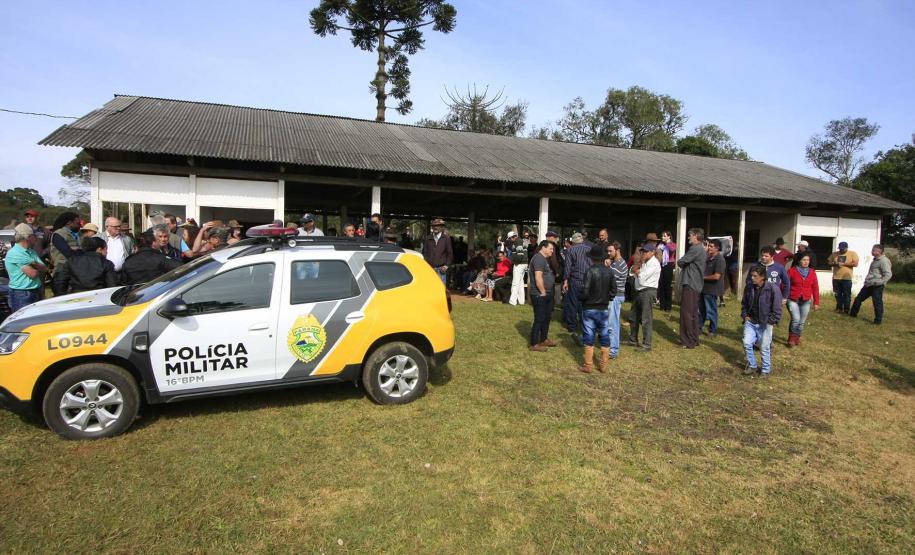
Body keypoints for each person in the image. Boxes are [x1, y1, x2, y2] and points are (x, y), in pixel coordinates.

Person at [741, 265, 782, 377]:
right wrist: (745, 315)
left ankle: (765, 369)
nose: (752, 278)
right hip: (751, 321)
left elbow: (777, 308)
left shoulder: (773, 289)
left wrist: (771, 321)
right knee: (746, 343)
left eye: (755, 276)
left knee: (764, 347)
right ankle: (752, 365)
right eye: (751, 276)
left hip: (765, 323)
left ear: (762, 277)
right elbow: (744, 304)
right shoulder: (749, 288)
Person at [578, 243, 613, 373]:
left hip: (589, 308)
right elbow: (613, 290)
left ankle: (588, 365)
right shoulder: (609, 271)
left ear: (591, 258)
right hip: (603, 308)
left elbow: (586, 291)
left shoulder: (590, 271)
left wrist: (581, 298)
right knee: (604, 334)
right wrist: (607, 298)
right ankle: (603, 365)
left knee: (588, 335)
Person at [52, 236, 119, 294]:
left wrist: (61, 296)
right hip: (99, 297)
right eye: (106, 249)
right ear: (99, 249)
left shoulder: (72, 261)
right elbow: (112, 286)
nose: (107, 252)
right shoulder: (106, 263)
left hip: (76, 296)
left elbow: (60, 281)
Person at [4, 223, 47, 311]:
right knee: (23, 323)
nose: (37, 238)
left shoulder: (31, 251)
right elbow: (33, 274)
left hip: (35, 289)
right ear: (28, 237)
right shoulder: (15, 253)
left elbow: (44, 268)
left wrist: (33, 263)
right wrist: (36, 265)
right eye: (34, 235)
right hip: (22, 294)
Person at [677, 227, 707, 349]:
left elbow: (681, 262)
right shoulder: (701, 249)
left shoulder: (695, 249)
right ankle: (694, 339)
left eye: (690, 235)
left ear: (695, 236)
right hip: (696, 284)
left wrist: (683, 262)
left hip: (691, 283)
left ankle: (687, 341)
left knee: (686, 313)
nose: (688, 237)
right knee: (693, 313)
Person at [627, 242, 661, 351]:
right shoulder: (645, 262)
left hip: (647, 291)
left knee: (646, 319)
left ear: (652, 252)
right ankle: (633, 339)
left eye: (646, 251)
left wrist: (636, 271)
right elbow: (631, 272)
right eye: (643, 251)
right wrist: (636, 270)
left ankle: (646, 344)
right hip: (639, 291)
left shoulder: (654, 263)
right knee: (633, 316)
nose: (643, 253)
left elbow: (641, 278)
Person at [849, 244, 892, 325]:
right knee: (858, 299)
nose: (872, 251)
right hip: (869, 284)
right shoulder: (875, 260)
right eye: (872, 250)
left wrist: (879, 282)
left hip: (877, 286)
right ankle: (852, 314)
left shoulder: (884, 261)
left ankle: (878, 321)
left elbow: (888, 274)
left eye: (874, 250)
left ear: (879, 251)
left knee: (877, 303)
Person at [528, 240, 558, 352]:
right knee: (539, 318)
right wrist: (543, 292)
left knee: (547, 317)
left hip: (547, 293)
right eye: (550, 248)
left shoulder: (544, 259)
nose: (552, 251)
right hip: (540, 294)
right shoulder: (538, 259)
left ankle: (544, 339)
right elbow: (538, 277)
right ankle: (534, 343)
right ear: (543, 248)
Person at [562, 232, 591, 341]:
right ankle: (585, 326)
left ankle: (572, 327)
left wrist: (565, 280)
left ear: (573, 241)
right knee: (585, 305)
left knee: (573, 304)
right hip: (588, 281)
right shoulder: (589, 249)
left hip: (575, 280)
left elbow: (568, 267)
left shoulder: (570, 250)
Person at [786, 252, 820, 346]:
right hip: (793, 299)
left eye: (808, 260)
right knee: (796, 319)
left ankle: (797, 337)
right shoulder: (791, 271)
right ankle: (791, 339)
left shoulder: (812, 272)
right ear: (799, 261)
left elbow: (815, 288)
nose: (806, 262)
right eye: (804, 260)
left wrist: (816, 302)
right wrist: (784, 297)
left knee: (801, 322)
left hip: (806, 300)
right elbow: (785, 285)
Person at [700, 238, 726, 338]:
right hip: (704, 288)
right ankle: (699, 327)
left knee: (711, 310)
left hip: (712, 289)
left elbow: (716, 276)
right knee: (702, 309)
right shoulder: (707, 257)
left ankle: (712, 330)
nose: (709, 248)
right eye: (708, 246)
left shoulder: (720, 259)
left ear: (717, 248)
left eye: (711, 246)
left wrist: (703, 277)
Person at [607, 241, 628, 359]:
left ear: (617, 250)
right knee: (608, 322)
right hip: (614, 296)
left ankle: (613, 350)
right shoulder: (615, 262)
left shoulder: (619, 264)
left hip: (615, 297)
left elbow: (610, 278)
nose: (608, 253)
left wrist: (607, 266)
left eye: (610, 251)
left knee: (612, 324)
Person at [827, 241, 858, 313]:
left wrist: (844, 264)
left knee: (846, 294)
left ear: (847, 248)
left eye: (843, 249)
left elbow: (855, 264)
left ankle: (846, 309)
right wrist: (834, 263)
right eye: (840, 249)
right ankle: (839, 308)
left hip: (846, 278)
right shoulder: (835, 254)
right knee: (837, 294)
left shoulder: (852, 253)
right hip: (836, 277)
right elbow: (828, 262)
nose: (841, 250)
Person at [48, 211, 82, 277]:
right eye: (77, 223)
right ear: (69, 223)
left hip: (77, 269)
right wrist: (79, 249)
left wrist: (75, 248)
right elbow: (68, 253)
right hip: (62, 269)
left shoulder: (79, 235)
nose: (80, 225)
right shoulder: (58, 234)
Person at [422, 218, 453, 284]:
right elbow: (424, 252)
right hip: (429, 269)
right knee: (430, 289)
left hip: (441, 269)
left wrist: (446, 266)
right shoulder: (428, 238)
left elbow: (449, 253)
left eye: (438, 226)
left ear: (441, 228)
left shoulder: (446, 238)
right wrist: (426, 265)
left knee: (441, 290)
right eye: (434, 226)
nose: (435, 227)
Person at [657, 230, 677, 312]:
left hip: (669, 264)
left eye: (665, 236)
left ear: (669, 237)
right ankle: (662, 305)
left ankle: (668, 307)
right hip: (662, 265)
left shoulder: (672, 244)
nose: (663, 237)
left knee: (667, 286)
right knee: (661, 284)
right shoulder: (661, 245)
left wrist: (667, 243)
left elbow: (672, 249)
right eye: (662, 236)